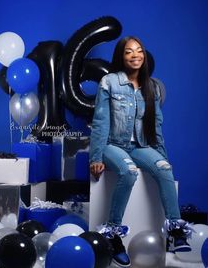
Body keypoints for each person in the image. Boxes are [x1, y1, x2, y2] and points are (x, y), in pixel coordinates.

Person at [89, 36, 193, 267]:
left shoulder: (152, 87)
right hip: (112, 145)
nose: (135, 55)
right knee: (128, 172)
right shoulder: (110, 82)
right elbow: (101, 122)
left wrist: (160, 158)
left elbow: (156, 126)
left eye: (139, 51)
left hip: (140, 147)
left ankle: (175, 231)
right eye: (129, 52)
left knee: (165, 169)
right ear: (121, 56)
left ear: (144, 56)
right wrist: (96, 157)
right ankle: (113, 235)